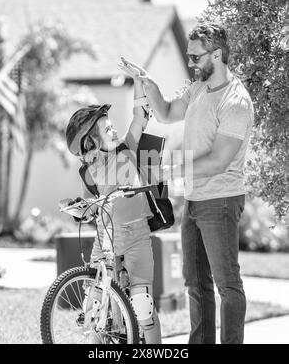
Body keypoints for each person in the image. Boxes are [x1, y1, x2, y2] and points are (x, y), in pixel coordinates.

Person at [120, 22, 254, 344]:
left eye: (196, 57)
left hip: (221, 201)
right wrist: (145, 80)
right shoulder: (198, 89)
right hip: (195, 200)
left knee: (227, 285)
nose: (191, 64)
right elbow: (164, 112)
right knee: (195, 283)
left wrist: (172, 168)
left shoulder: (235, 101)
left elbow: (219, 160)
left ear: (217, 54)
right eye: (189, 56)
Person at [61, 60, 161, 344]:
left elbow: (140, 115)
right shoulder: (88, 171)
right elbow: (93, 204)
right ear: (91, 144)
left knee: (143, 307)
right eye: (107, 130)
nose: (114, 131)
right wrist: (81, 208)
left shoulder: (127, 148)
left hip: (137, 237)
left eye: (112, 126)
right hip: (104, 240)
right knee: (93, 311)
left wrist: (138, 79)